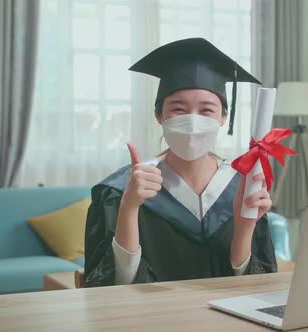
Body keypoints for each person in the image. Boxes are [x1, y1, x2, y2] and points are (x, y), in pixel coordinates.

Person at [84, 38, 277, 286]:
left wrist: (244, 228)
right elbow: (113, 287)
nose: (192, 120)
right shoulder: (119, 191)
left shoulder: (244, 189)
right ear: (158, 115)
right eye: (178, 109)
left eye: (206, 110)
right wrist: (129, 208)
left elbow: (255, 288)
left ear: (223, 117)